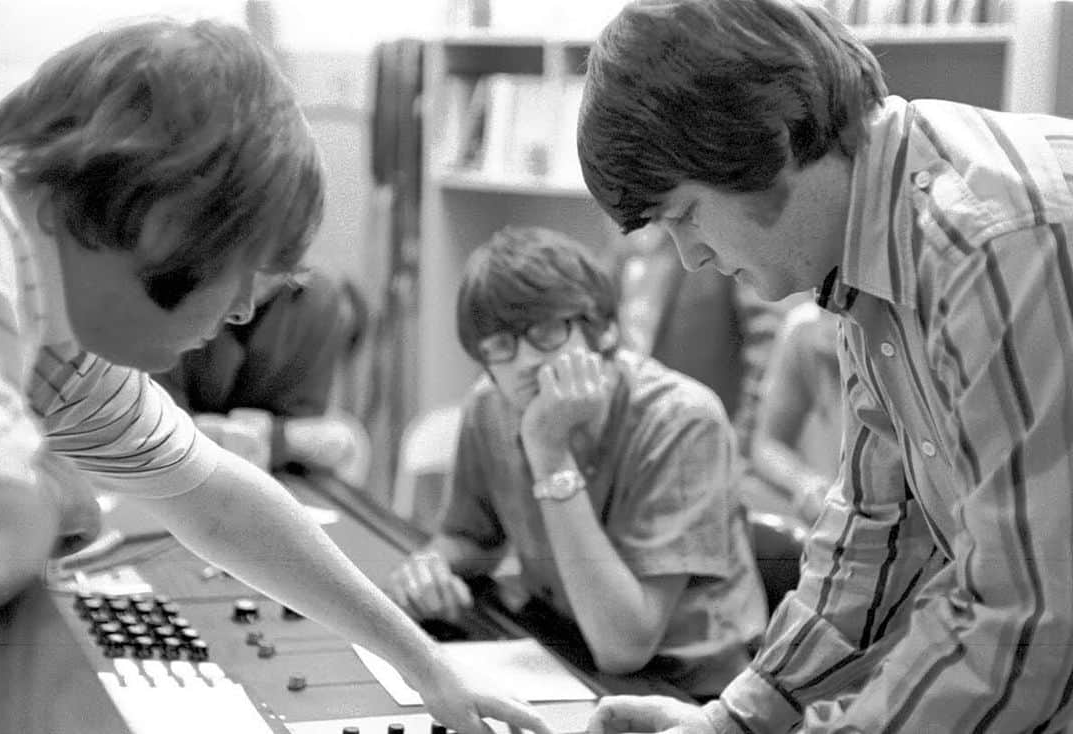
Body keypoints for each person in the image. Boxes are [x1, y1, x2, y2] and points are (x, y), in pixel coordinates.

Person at [0, 18, 549, 734]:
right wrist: (43, 500)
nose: (248, 307)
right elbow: (4, 522)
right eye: (247, 269)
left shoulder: (63, 330)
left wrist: (425, 664)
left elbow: (217, 499)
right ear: (166, 223)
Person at [577, 0, 1073, 730]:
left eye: (684, 214)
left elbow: (1022, 624)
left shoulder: (982, 243)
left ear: (765, 141)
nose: (692, 257)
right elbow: (877, 534)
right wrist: (732, 723)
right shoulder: (868, 250)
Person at [388, 226, 768, 700]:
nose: (525, 361)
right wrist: (431, 567)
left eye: (548, 332)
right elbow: (471, 538)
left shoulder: (682, 419)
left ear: (603, 331)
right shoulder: (490, 406)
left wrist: (550, 454)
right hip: (563, 652)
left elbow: (625, 646)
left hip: (692, 689)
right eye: (500, 345)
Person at [152, 267, 366, 477]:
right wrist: (280, 438)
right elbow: (155, 424)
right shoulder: (181, 278)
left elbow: (302, 423)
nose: (244, 311)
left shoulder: (320, 301)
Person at [750, 301, 842, 527]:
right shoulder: (804, 329)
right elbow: (766, 444)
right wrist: (803, 482)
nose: (827, 324)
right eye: (823, 309)